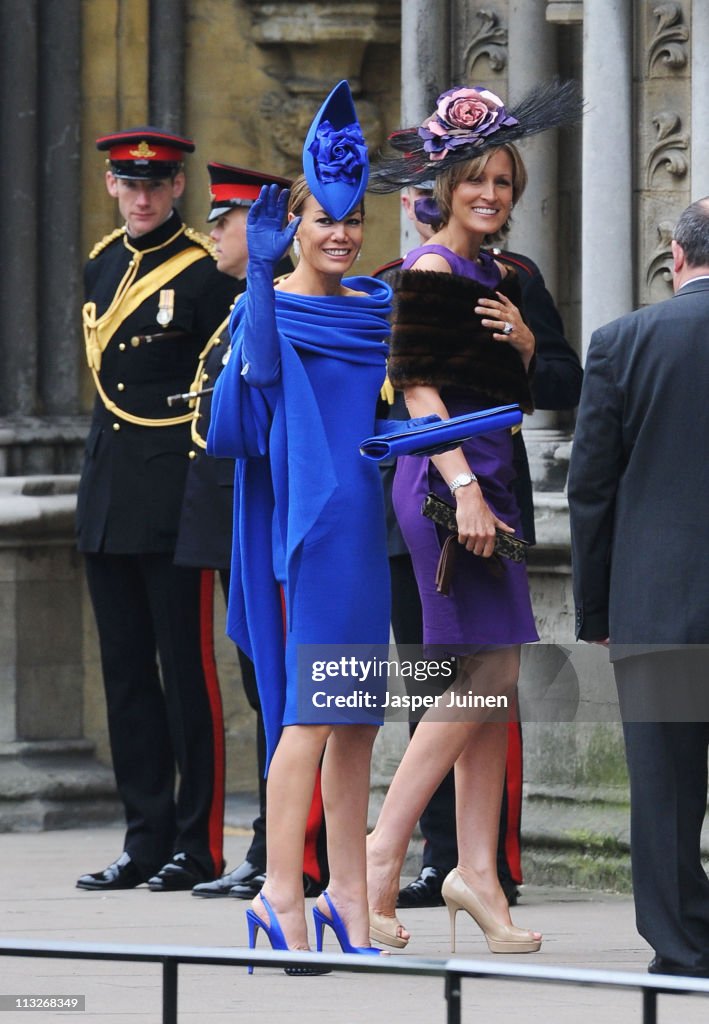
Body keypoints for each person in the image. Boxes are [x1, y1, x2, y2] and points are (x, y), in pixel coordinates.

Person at [365, 81, 581, 952]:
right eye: (473, 181)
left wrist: (528, 349)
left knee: (494, 679)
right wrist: (461, 490)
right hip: (445, 481)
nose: (487, 194)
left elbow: (517, 389)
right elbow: (417, 386)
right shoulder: (430, 267)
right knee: (474, 679)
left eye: (501, 181)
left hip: (487, 473)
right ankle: (382, 854)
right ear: (443, 187)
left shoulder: (499, 276)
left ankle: (477, 877)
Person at [207, 81, 392, 969]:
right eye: (324, 219)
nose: (342, 234)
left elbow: (374, 414)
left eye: (353, 219)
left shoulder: (375, 309)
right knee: (309, 721)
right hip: (310, 537)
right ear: (293, 222)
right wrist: (259, 278)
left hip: (365, 534)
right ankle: (280, 891)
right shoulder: (268, 306)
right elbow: (259, 398)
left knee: (355, 718)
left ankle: (347, 898)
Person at [76, 128, 237, 892]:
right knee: (126, 676)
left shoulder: (207, 277)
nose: (141, 196)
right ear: (112, 185)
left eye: (157, 183)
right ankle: (142, 838)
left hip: (175, 499)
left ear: (178, 189)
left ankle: (195, 843)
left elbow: (216, 390)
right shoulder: (102, 264)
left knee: (186, 672)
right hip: (110, 496)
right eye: (128, 182)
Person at [172, 161, 328, 901]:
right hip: (242, 516)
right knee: (263, 683)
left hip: (293, 519)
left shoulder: (279, 306)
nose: (214, 232)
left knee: (300, 695)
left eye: (226, 220)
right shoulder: (239, 310)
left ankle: (295, 853)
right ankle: (274, 848)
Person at [568, 197, 709, 978]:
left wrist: (596, 607)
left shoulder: (621, 342)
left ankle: (682, 944)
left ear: (675, 258)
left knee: (663, 790)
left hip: (656, 602)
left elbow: (589, 488)